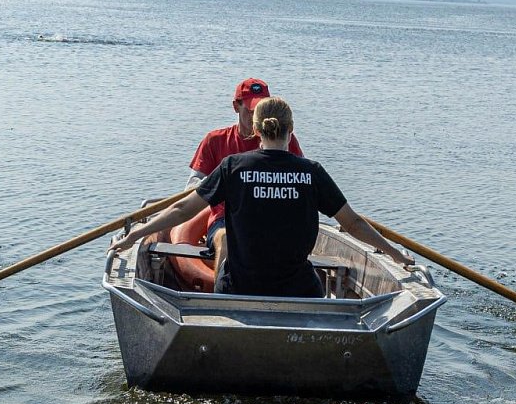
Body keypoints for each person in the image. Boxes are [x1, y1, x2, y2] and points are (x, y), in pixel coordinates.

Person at [111, 96, 414, 297]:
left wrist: (132, 236)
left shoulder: (233, 167)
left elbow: (182, 210)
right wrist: (396, 254)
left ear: (256, 129)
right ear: (291, 129)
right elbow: (354, 224)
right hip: (297, 290)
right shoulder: (311, 172)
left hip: (240, 288)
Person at [185, 78, 303, 275]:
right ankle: (223, 298)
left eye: (263, 110)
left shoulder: (285, 140)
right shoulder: (215, 140)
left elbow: (303, 184)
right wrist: (219, 183)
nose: (257, 116)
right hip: (225, 219)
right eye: (250, 111)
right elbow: (191, 186)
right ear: (235, 107)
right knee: (225, 239)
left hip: (273, 219)